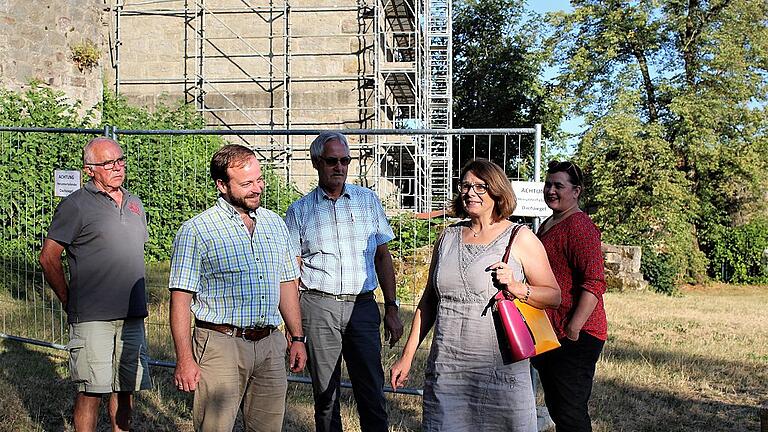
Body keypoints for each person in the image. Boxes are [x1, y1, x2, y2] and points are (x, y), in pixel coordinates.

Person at [390, 158, 561, 431]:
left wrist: (517, 287)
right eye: (466, 186)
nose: (470, 192)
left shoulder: (520, 237)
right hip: (447, 367)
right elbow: (428, 302)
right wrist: (407, 356)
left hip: (500, 369)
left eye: (480, 187)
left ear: (497, 191)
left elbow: (554, 296)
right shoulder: (447, 237)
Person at [168, 144, 307, 432]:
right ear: (222, 185)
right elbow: (180, 299)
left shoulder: (274, 224)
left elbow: (286, 283)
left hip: (269, 344)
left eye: (259, 180)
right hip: (220, 345)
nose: (257, 188)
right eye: (246, 184)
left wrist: (297, 337)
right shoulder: (197, 231)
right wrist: (184, 359)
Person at [284, 132, 404, 432]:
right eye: (332, 161)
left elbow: (382, 257)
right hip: (317, 307)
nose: (340, 167)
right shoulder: (299, 211)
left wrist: (391, 307)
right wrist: (294, 328)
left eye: (345, 160)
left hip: (362, 308)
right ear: (316, 162)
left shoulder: (367, 201)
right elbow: (292, 271)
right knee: (326, 396)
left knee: (371, 391)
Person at [39, 136, 151, 432]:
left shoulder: (134, 203)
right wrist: (68, 299)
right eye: (109, 163)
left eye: (121, 160)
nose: (118, 167)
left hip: (132, 316)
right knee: (91, 392)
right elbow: (48, 257)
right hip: (92, 317)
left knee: (126, 389)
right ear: (90, 170)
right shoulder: (75, 205)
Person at [532, 160, 607, 432]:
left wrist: (573, 328)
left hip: (577, 334)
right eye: (548, 184)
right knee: (559, 408)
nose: (551, 190)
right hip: (553, 331)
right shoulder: (551, 222)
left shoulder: (579, 226)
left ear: (576, 191)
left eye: (559, 186)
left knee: (570, 412)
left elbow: (595, 281)